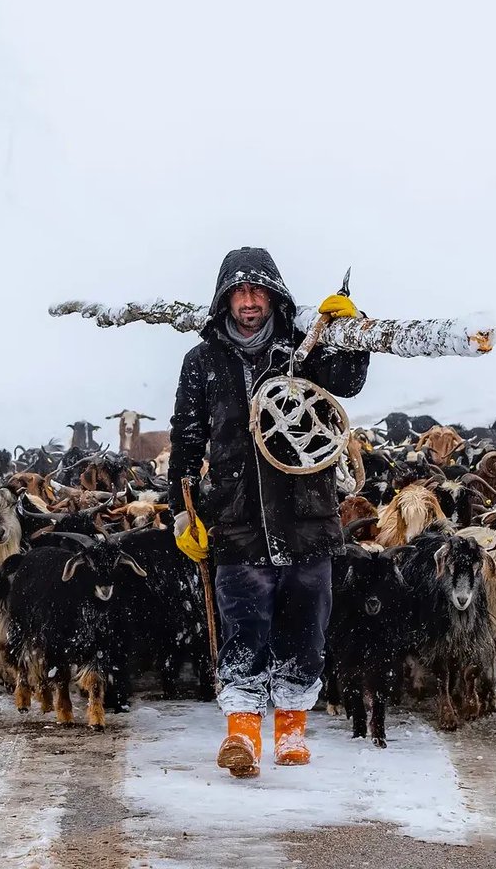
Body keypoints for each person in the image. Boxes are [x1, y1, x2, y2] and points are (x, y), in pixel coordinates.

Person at [168, 247, 369, 778]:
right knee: (244, 625)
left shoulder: (301, 348)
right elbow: (187, 442)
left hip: (307, 515)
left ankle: (291, 733)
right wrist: (182, 513)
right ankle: (243, 735)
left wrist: (349, 331)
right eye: (239, 291)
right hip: (235, 518)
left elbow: (346, 383)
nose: (250, 301)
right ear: (225, 298)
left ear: (274, 294)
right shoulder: (202, 362)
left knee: (307, 624)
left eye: (258, 291)